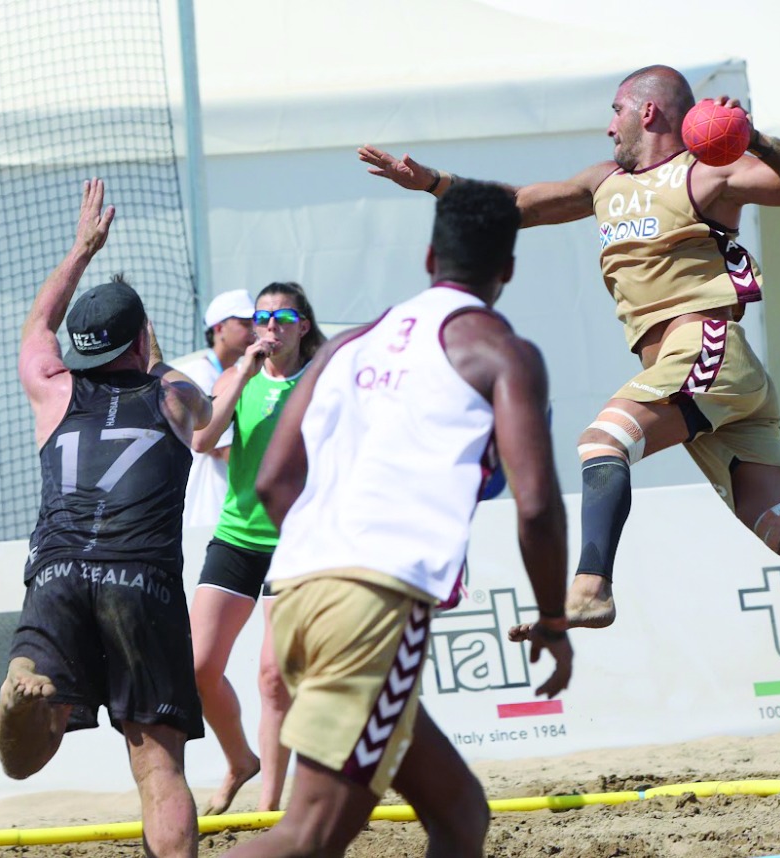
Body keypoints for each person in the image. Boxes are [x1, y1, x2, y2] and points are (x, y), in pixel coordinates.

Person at [358, 64, 780, 638]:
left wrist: (753, 138)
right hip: (706, 380)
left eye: (614, 110)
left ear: (648, 110)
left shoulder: (706, 175)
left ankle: (591, 588)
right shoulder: (602, 182)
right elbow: (517, 205)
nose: (607, 126)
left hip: (706, 349)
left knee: (602, 441)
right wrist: (432, 181)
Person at [228, 180, 573, 857]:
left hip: (297, 593)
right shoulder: (503, 352)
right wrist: (555, 622)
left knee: (462, 814)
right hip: (374, 604)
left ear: (427, 258)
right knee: (310, 834)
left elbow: (274, 479)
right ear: (507, 269)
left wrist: (323, 552)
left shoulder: (349, 343)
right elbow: (536, 508)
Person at [0, 179, 211, 858]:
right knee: (159, 769)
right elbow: (203, 416)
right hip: (141, 581)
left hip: (57, 571)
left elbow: (37, 328)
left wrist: (81, 252)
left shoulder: (53, 391)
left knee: (23, 761)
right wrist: (152, 349)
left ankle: (23, 696)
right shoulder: (175, 395)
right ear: (141, 338)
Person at [188, 282, 325, 815]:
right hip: (236, 536)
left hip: (295, 544)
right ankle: (240, 760)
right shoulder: (236, 377)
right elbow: (202, 442)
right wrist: (243, 372)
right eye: (261, 318)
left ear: (303, 326)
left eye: (283, 317)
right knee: (198, 667)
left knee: (272, 677)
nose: (271, 327)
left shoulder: (319, 381)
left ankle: (269, 811)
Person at [177, 289, 256, 529]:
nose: (253, 331)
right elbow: (219, 448)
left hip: (225, 506)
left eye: (254, 323)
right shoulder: (199, 374)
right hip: (206, 514)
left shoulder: (235, 373)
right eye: (244, 323)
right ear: (219, 328)